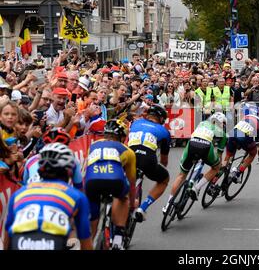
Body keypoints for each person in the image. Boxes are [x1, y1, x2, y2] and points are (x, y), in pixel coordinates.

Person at [3, 143, 93, 250]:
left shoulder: (19, 193)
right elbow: (85, 240)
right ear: (69, 171)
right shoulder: (77, 196)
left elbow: (7, 236)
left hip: (20, 242)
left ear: (40, 169)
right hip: (52, 242)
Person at [84, 119, 136, 250]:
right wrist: (132, 203)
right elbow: (132, 181)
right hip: (115, 181)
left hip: (92, 182)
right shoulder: (128, 151)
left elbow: (85, 168)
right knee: (123, 198)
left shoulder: (93, 145)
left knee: (93, 220)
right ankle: (118, 238)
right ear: (123, 137)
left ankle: (91, 241)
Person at [165, 112, 227, 206]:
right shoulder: (222, 133)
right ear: (221, 123)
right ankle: (197, 188)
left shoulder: (202, 123)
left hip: (192, 144)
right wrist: (219, 163)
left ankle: (167, 205)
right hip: (206, 146)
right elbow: (219, 154)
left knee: (181, 175)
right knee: (216, 167)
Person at [129, 104, 171, 223]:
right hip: (147, 160)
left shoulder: (136, 123)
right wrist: (161, 167)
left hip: (129, 156)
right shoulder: (164, 131)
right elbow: (164, 160)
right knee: (164, 179)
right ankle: (142, 208)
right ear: (161, 119)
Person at [224, 105, 259, 184]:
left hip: (233, 134)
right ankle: (237, 174)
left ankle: (217, 177)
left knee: (227, 158)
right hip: (245, 138)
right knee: (253, 153)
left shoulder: (248, 116)